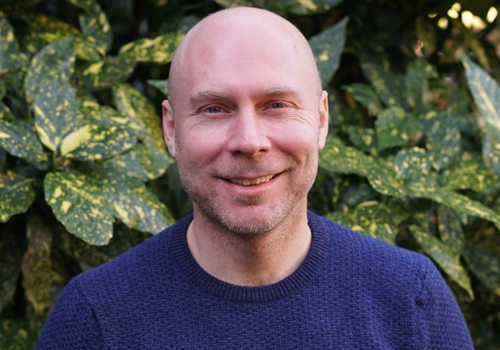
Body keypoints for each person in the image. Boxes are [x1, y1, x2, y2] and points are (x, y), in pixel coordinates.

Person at [35, 7, 474, 349]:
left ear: (320, 121)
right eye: (215, 109)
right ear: (171, 129)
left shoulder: (410, 301)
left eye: (277, 105)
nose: (250, 141)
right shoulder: (95, 320)